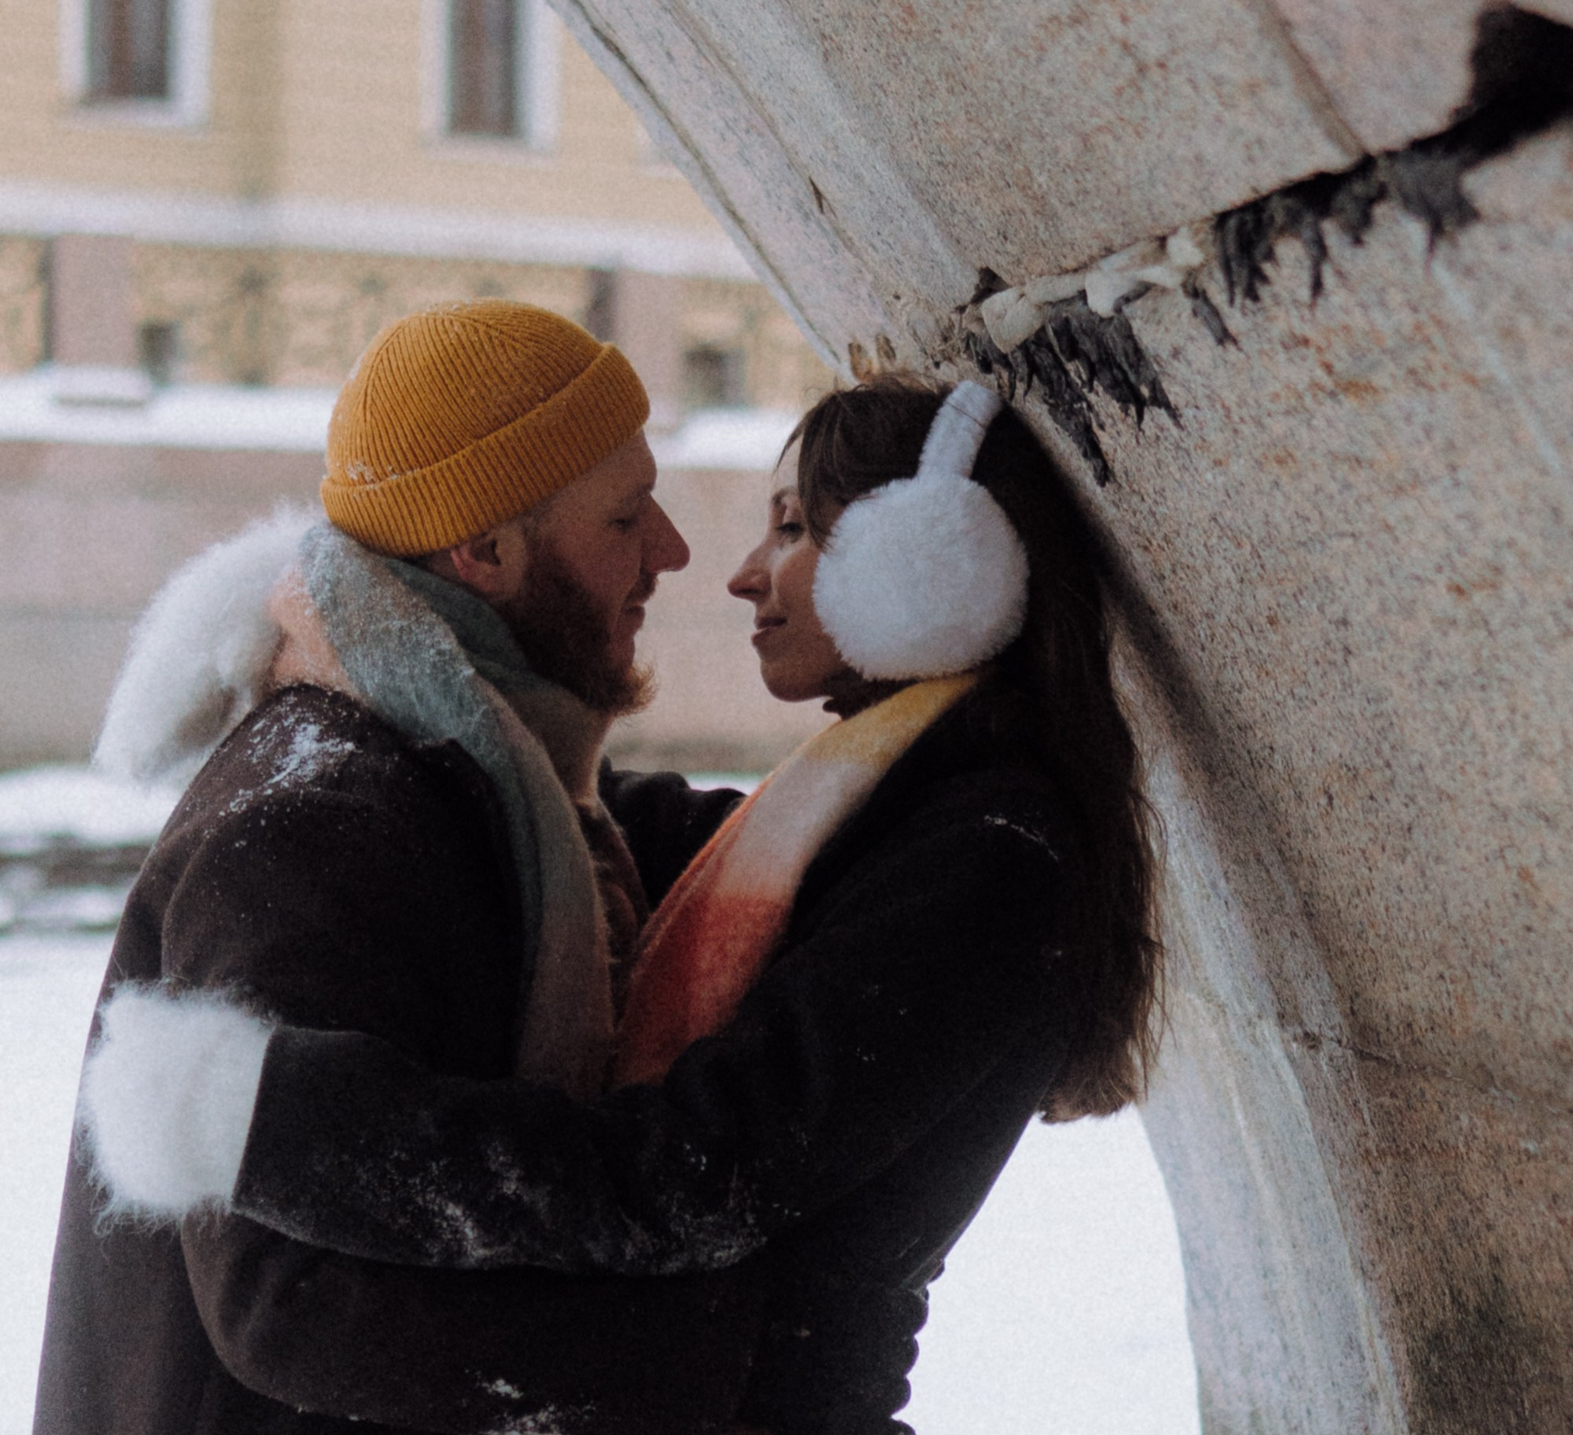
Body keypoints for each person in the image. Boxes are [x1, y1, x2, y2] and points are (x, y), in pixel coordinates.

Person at [77, 372, 1163, 1435]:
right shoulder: (864, 812)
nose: (719, 566)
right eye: (627, 514)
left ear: (929, 566)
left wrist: (267, 1115)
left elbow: (688, 1168)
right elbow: (578, 813)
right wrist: (443, 708)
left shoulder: (985, 859)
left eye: (791, 526)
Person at [35, 296, 766, 1435]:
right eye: (626, 516)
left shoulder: (468, 772)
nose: (671, 550)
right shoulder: (313, 820)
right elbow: (289, 1300)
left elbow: (651, 831)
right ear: (483, 551)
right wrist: (710, 1366)